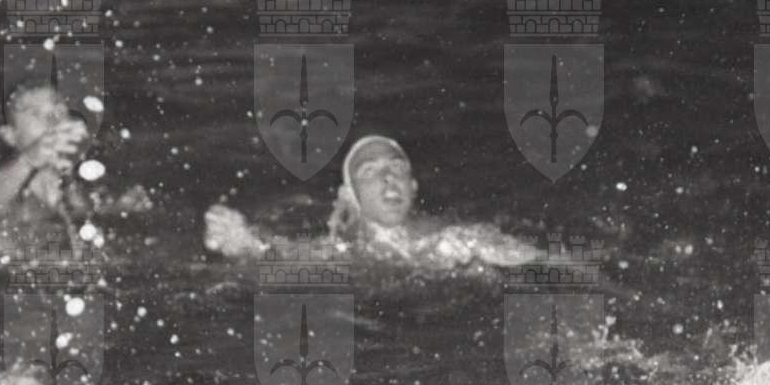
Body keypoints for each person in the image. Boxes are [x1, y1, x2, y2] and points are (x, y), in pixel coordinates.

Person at [205, 135, 537, 268]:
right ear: (350, 197)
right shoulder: (339, 251)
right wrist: (243, 243)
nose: (388, 177)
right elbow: (279, 257)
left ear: (413, 186)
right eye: (370, 172)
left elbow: (544, 262)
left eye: (397, 168)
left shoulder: (458, 237)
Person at [0, 78, 106, 268]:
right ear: (10, 135)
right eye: (35, 113)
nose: (52, 120)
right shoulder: (1, 189)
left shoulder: (88, 186)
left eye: (58, 110)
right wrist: (29, 160)